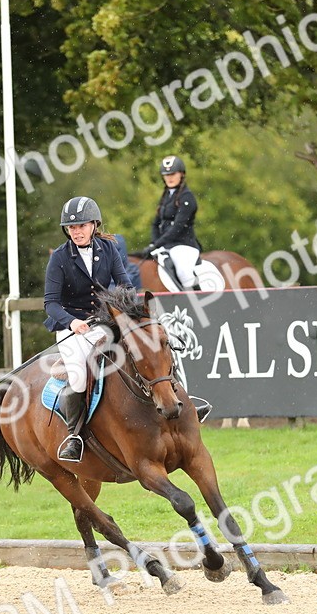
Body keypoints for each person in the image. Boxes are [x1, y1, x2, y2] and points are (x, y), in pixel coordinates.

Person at [44, 196, 132, 462]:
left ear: (94, 224)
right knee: (80, 376)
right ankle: (74, 436)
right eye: (72, 228)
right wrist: (72, 321)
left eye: (82, 226)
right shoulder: (59, 258)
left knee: (147, 347)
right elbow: (51, 302)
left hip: (104, 321)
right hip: (72, 326)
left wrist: (121, 309)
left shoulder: (108, 249)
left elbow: (125, 284)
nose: (77, 231)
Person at [138, 155, 202, 291]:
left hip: (184, 246)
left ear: (182, 174)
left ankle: (198, 298)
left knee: (183, 271)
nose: (169, 178)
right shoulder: (166, 196)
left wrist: (156, 244)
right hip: (166, 245)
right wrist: (153, 244)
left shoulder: (187, 198)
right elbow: (155, 224)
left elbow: (177, 228)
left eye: (173, 174)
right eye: (166, 175)